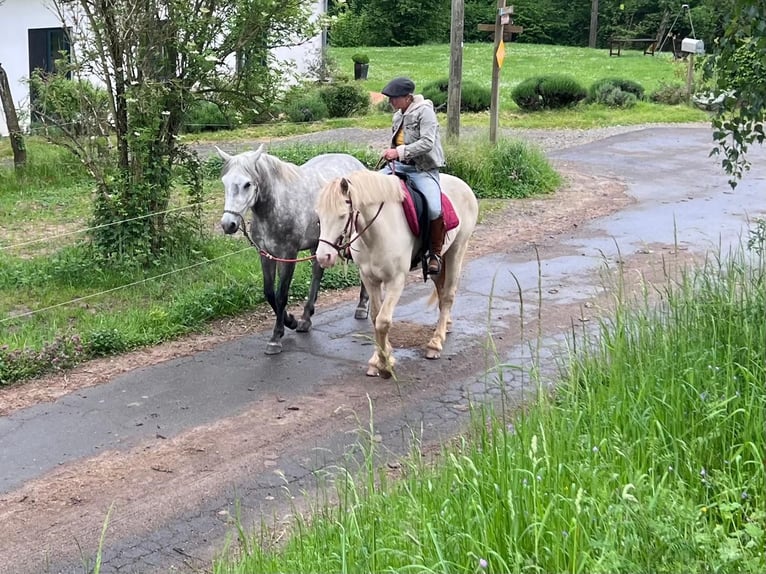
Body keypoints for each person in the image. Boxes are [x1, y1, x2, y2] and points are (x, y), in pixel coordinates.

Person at [380, 76, 446, 276]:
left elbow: (427, 142)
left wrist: (399, 152)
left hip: (422, 170)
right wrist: (391, 153)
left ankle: (435, 254)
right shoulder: (398, 115)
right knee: (368, 191)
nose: (391, 102)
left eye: (394, 98)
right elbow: (397, 143)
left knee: (435, 208)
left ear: (407, 97)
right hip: (399, 166)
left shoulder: (425, 112)